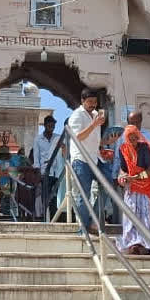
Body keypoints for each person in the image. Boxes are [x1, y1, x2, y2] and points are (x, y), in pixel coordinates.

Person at [116, 124, 150, 254]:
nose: (132, 140)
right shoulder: (123, 149)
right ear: (126, 138)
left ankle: (148, 245)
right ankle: (134, 243)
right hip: (131, 188)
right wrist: (123, 177)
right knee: (131, 215)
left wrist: (136, 177)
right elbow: (123, 169)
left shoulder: (144, 148)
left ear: (138, 136)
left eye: (134, 137)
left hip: (145, 187)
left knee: (146, 216)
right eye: (129, 137)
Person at [66, 88, 108, 235]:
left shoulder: (96, 115)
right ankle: (83, 228)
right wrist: (94, 125)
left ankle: (93, 220)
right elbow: (78, 137)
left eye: (95, 102)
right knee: (84, 194)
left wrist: (107, 142)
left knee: (109, 184)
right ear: (82, 101)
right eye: (90, 102)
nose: (93, 105)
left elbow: (94, 139)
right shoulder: (76, 116)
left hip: (96, 158)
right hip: (81, 160)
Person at [31, 115, 62, 218]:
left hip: (57, 172)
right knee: (46, 196)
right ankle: (46, 218)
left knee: (56, 196)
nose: (51, 127)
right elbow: (36, 158)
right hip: (45, 172)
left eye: (53, 126)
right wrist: (39, 173)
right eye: (49, 125)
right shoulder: (38, 139)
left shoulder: (58, 138)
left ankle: (54, 218)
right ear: (45, 125)